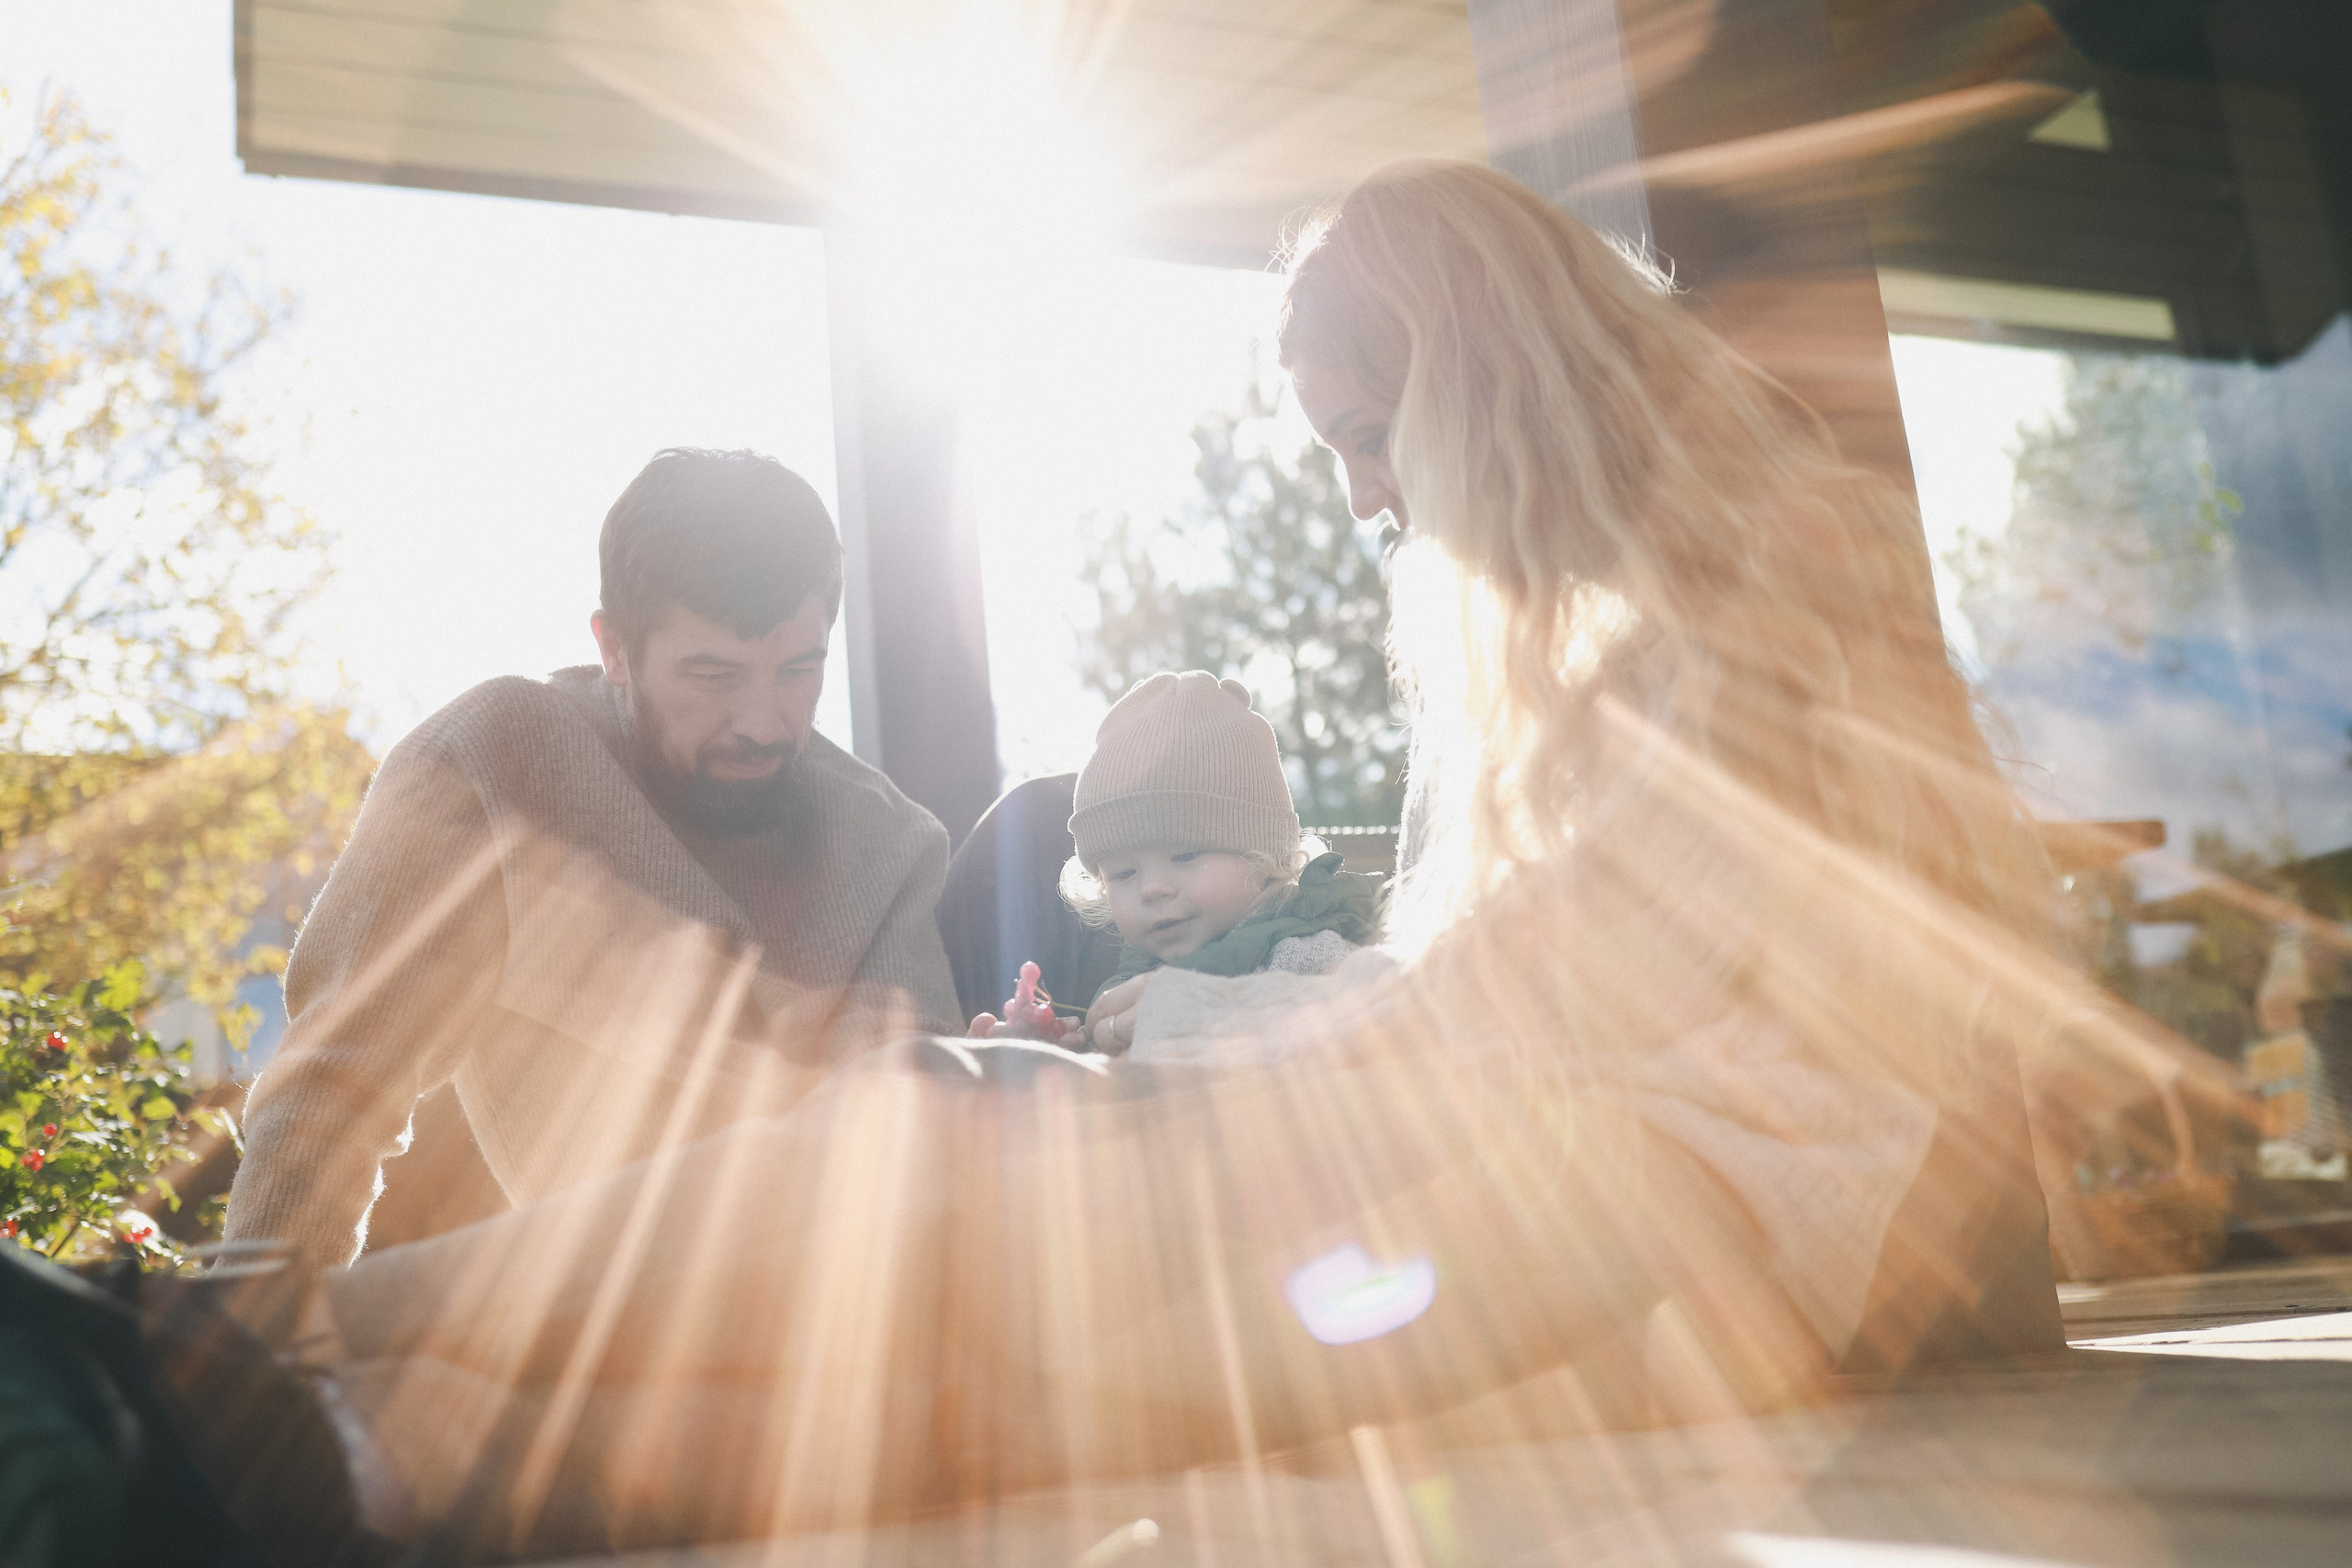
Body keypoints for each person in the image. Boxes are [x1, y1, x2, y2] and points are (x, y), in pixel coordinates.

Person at [293, 162, 2081, 1553]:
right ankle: (308, 1399)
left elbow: (1535, 1011)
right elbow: (1501, 1011)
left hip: (1651, 1234)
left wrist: (1177, 1047)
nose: (1370, 502)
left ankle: (267, 1360)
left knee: (947, 1207)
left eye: (1370, 440)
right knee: (946, 1208)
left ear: (1486, 380)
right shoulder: (1595, 647)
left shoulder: (1723, 633)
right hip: (1571, 1180)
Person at [224, 448, 960, 1268]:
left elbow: (927, 1142)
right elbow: (334, 1086)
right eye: (714, 674)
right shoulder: (497, 762)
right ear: (614, 649)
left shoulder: (891, 846)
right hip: (585, 1318)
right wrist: (251, 1342)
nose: (763, 720)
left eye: (798, 670)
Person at [966, 671, 1385, 1044]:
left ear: (1264, 855)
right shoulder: (1136, 973)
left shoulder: (1302, 954)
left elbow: (1335, 1035)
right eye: (1124, 873)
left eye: (1185, 855)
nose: (1151, 888)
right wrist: (1058, 1056)